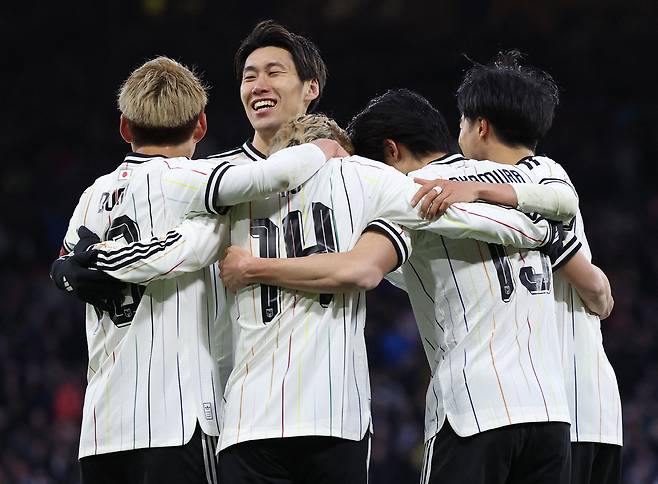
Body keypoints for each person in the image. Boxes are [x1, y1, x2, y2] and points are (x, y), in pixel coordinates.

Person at [220, 93, 577, 484]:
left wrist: (254, 267)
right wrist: (546, 235)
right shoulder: (525, 174)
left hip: (475, 409)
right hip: (552, 411)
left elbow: (362, 268)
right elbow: (565, 202)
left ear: (389, 152)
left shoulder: (416, 191)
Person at [50, 55, 343, 484]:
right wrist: (322, 148)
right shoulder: (194, 179)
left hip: (102, 430)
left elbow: (65, 266)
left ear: (125, 128)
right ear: (200, 126)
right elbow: (268, 178)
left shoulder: (93, 196)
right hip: (179, 420)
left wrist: (71, 273)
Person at [451, 51, 622, 484]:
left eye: (461, 123)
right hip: (575, 411)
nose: (459, 135)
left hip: (568, 405)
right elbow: (600, 293)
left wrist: (475, 190)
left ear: (481, 126)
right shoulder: (510, 190)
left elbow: (600, 293)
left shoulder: (541, 171)